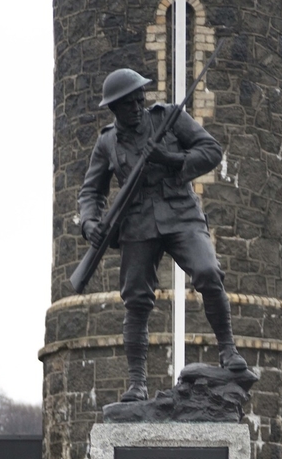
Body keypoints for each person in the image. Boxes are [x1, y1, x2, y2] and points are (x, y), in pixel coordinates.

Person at [78, 67, 247, 401]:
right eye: (129, 102)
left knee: (208, 272)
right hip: (137, 223)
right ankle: (137, 383)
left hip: (181, 213)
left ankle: (228, 351)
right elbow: (90, 192)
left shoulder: (169, 116)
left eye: (140, 96)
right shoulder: (107, 142)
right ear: (115, 108)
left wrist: (170, 159)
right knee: (137, 300)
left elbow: (211, 150)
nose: (138, 104)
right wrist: (89, 223)